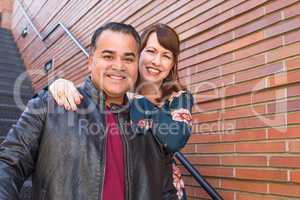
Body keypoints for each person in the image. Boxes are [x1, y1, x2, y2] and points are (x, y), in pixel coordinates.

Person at [0, 22, 176, 200]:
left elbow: (167, 193)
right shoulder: (51, 105)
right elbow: (8, 164)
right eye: (108, 56)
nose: (119, 66)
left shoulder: (153, 121)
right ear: (90, 61)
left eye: (128, 59)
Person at [48, 23, 194, 200]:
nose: (156, 61)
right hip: (115, 180)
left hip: (161, 189)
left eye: (166, 56)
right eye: (151, 51)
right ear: (138, 54)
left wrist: (138, 101)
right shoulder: (117, 85)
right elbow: (88, 98)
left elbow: (175, 139)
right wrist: (60, 84)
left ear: (172, 64)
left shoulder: (178, 97)